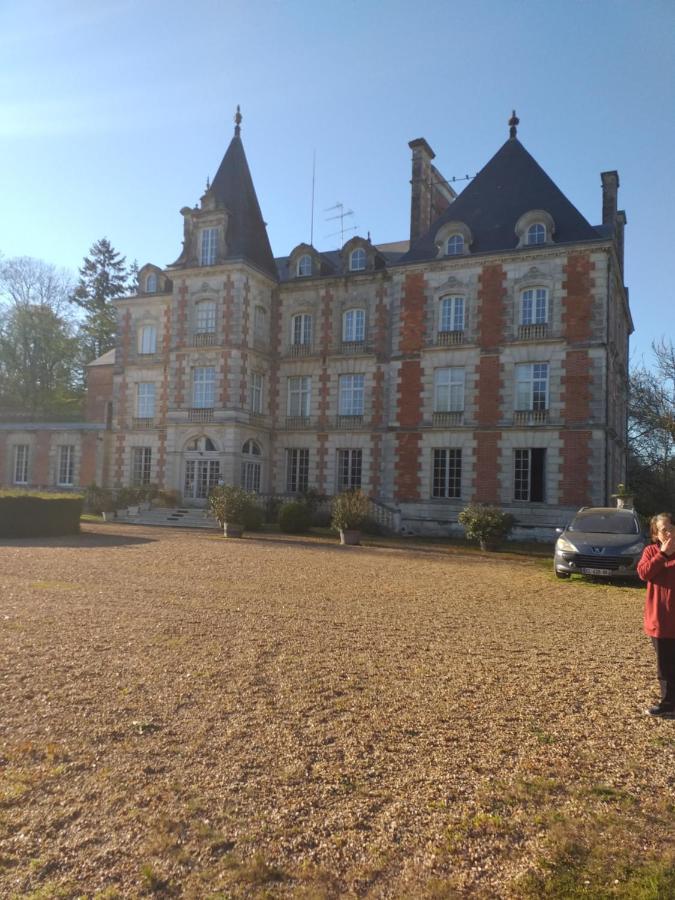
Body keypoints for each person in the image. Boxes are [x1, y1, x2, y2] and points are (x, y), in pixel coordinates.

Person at [637, 512, 675, 718]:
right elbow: (643, 573)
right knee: (666, 666)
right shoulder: (651, 551)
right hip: (660, 620)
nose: (668, 533)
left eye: (671, 528)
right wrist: (662, 555)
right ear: (655, 534)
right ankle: (669, 703)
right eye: (663, 530)